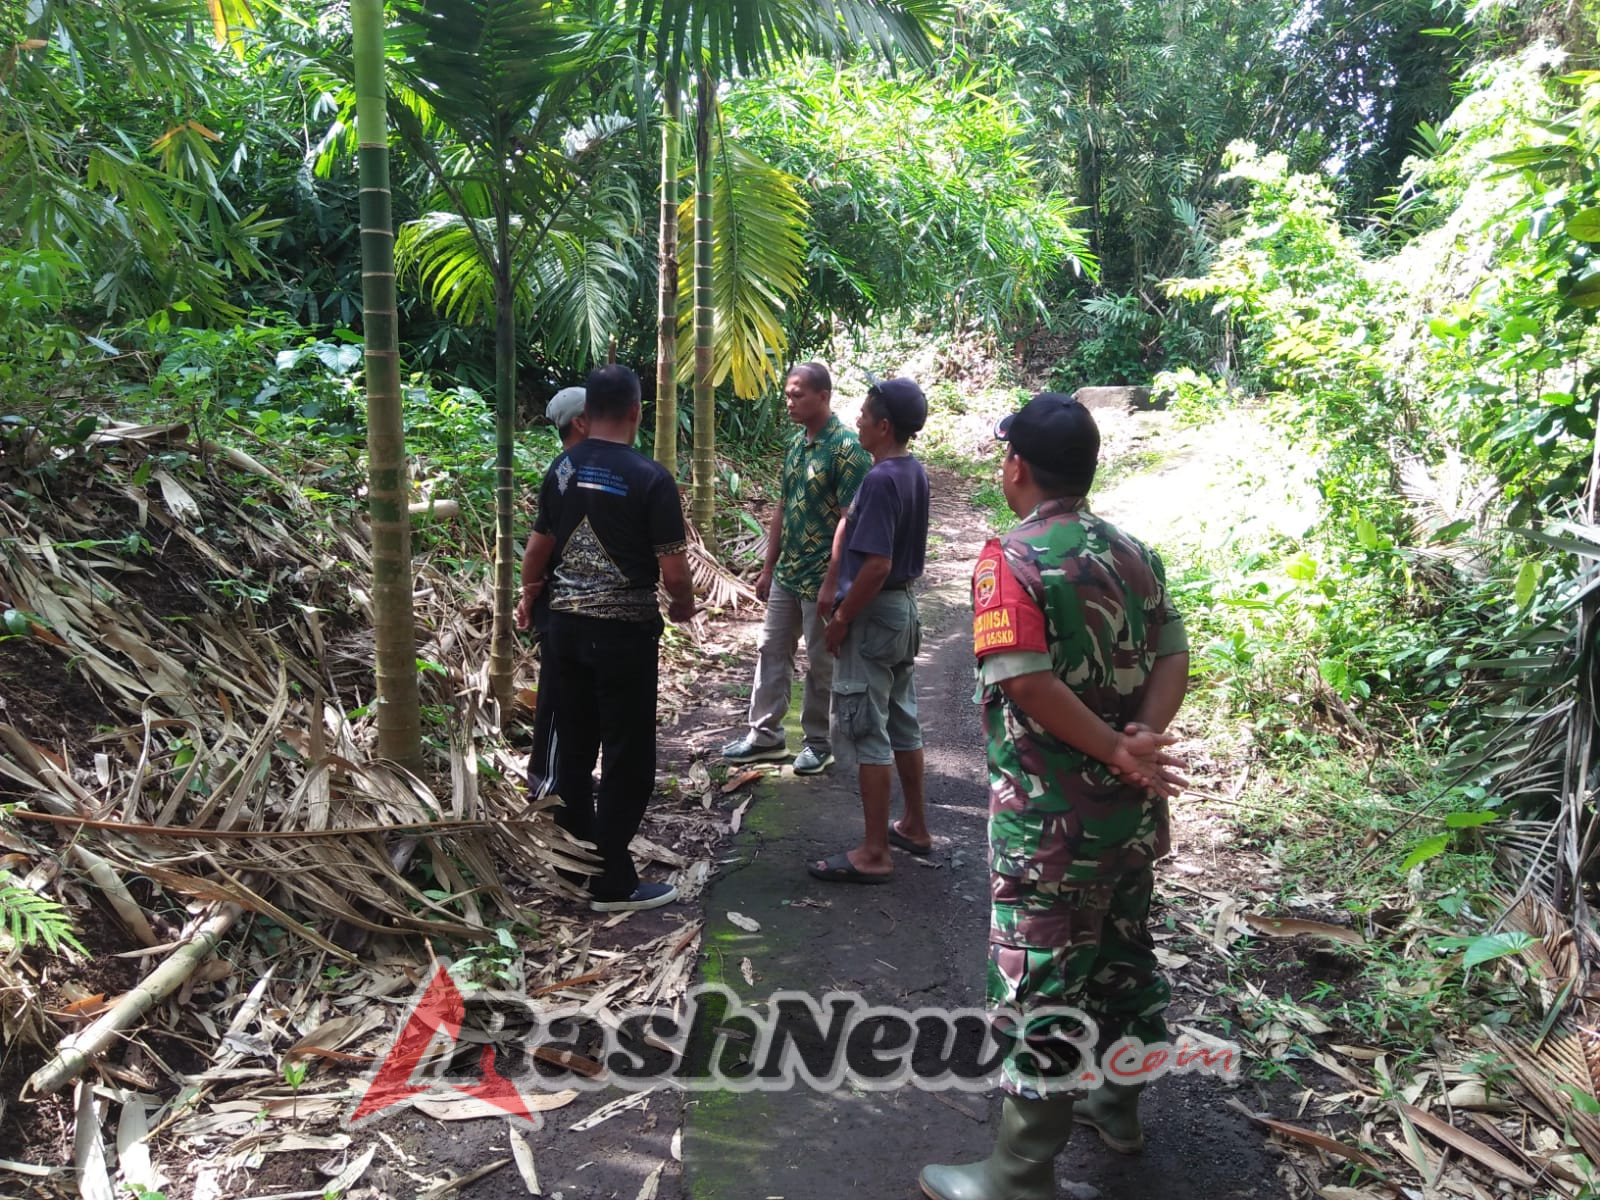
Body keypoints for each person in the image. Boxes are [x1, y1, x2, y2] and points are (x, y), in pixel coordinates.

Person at [919, 393, 1190, 1200]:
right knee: (1120, 959)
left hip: (1050, 822)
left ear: (1017, 467)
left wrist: (1111, 746)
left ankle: (1020, 1171)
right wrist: (1138, 742)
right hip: (1130, 816)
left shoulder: (1011, 557)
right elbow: (1173, 655)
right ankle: (1118, 1106)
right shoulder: (1134, 551)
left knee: (1039, 976)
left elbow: (1027, 682)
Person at [514, 365, 696, 913]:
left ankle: (576, 864)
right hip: (623, 637)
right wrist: (684, 606)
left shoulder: (563, 466)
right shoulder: (651, 477)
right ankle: (611, 880)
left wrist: (528, 597)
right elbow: (673, 568)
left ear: (586, 414)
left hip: (564, 631)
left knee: (573, 748)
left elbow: (537, 549)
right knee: (627, 754)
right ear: (637, 412)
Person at [806, 377, 932, 884]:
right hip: (902, 610)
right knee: (903, 718)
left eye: (863, 414)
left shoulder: (881, 479)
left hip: (876, 610)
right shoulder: (909, 471)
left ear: (883, 426)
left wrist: (841, 619)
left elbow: (876, 564)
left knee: (867, 727)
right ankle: (915, 826)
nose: (855, 420)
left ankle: (875, 851)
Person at [722, 363, 872, 775]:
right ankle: (765, 736)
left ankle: (819, 742)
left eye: (797, 394)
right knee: (771, 650)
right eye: (787, 394)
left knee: (821, 661)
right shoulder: (796, 445)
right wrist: (768, 567)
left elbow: (850, 520)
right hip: (789, 572)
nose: (789, 402)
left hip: (822, 576)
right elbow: (782, 509)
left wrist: (832, 581)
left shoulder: (846, 448)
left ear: (823, 395)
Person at [524, 386, 589, 801]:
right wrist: (529, 594)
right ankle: (546, 782)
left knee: (573, 696)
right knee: (556, 698)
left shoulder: (577, 465)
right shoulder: (567, 469)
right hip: (562, 603)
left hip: (577, 605)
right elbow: (538, 546)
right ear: (580, 422)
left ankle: (569, 777)